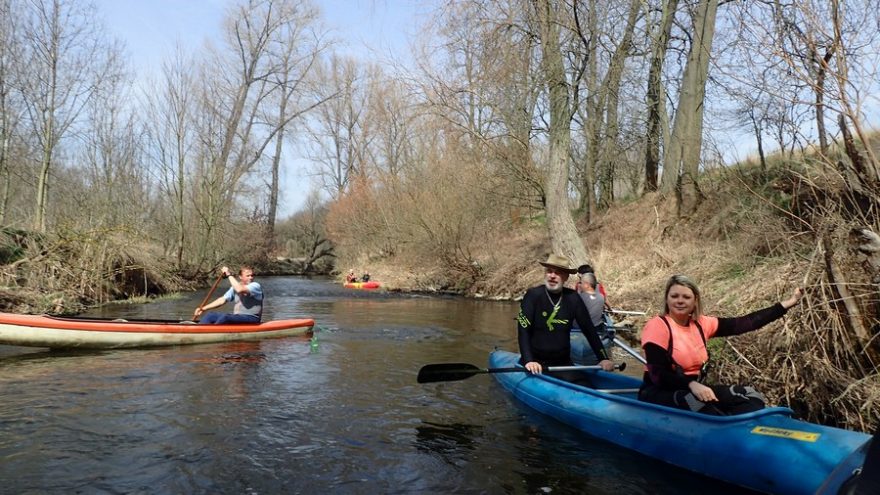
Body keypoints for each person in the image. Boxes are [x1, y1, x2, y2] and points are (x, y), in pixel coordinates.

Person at [639, 274, 803, 415]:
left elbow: (744, 323)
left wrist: (786, 304)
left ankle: (745, 433)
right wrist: (691, 384)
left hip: (693, 389)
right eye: (674, 296)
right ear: (667, 299)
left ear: (695, 301)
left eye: (686, 297)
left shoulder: (701, 323)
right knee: (700, 406)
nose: (680, 301)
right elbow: (657, 374)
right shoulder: (657, 326)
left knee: (750, 395)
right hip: (659, 391)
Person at [517, 253, 614, 385]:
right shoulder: (533, 295)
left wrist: (603, 358)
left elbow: (589, 330)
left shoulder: (573, 298)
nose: (552, 275)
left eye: (557, 273)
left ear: (566, 277)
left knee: (587, 386)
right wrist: (528, 360)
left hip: (562, 363)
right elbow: (523, 330)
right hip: (535, 363)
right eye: (549, 271)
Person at [194, 265, 264, 324]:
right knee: (210, 315)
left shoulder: (255, 286)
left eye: (252, 275)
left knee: (225, 317)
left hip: (252, 318)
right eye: (248, 276)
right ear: (240, 277)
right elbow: (222, 300)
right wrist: (202, 308)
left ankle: (211, 331)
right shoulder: (235, 287)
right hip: (238, 317)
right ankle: (198, 329)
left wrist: (228, 274)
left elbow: (239, 289)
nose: (251, 278)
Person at [571, 271, 613, 365]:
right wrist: (611, 310)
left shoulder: (577, 297)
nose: (580, 285)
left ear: (587, 284)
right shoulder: (601, 297)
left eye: (581, 283)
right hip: (596, 330)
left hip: (576, 330)